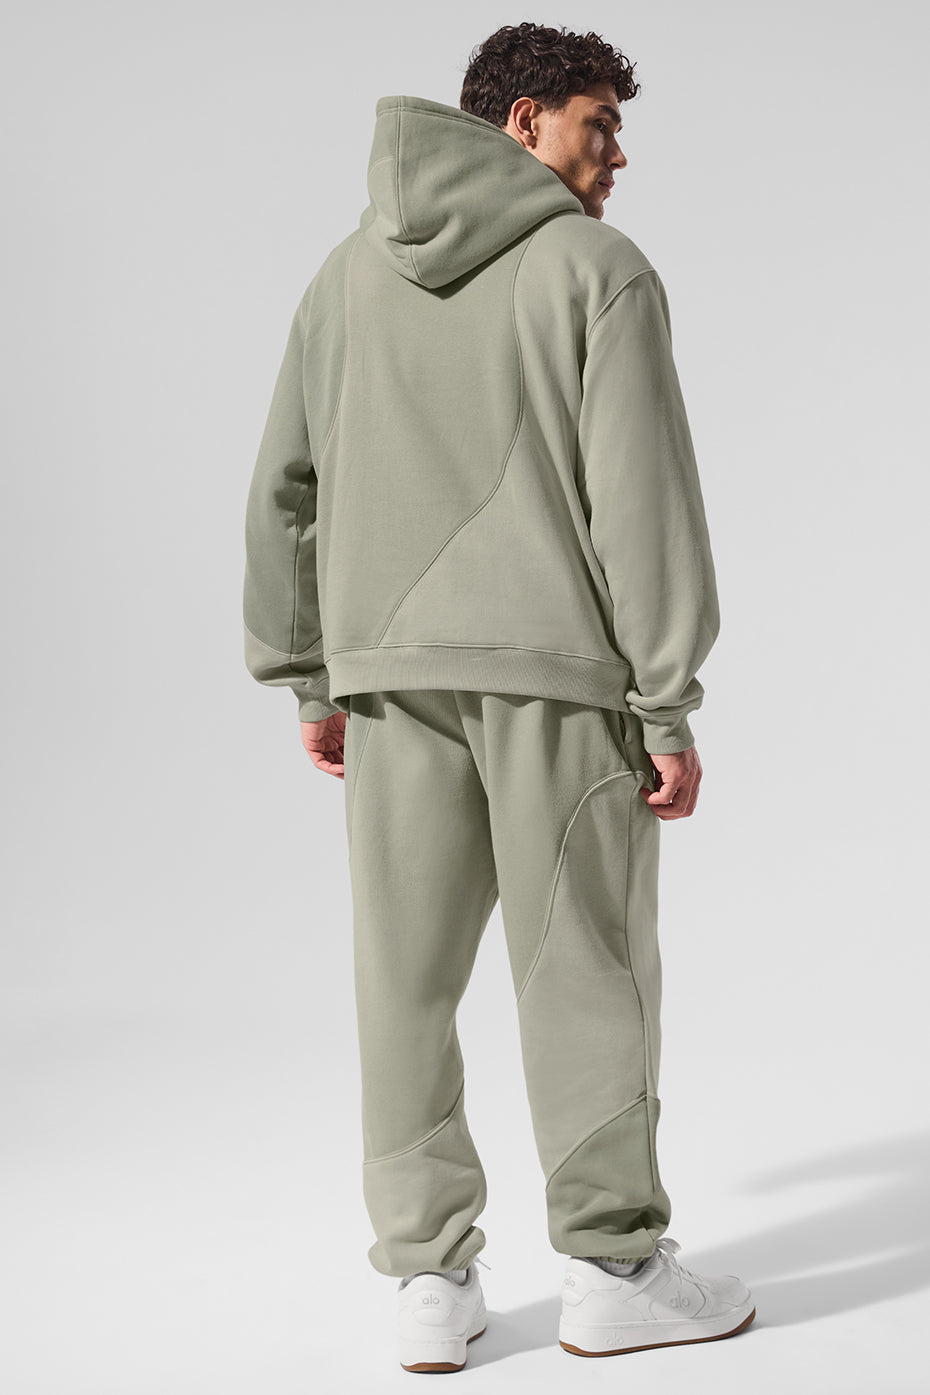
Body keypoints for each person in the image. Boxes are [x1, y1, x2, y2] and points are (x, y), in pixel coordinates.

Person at [242, 20, 755, 1373]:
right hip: (558, 685)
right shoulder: (597, 270)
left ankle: (428, 1282)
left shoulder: (343, 276)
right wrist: (665, 703)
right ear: (523, 124)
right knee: (584, 971)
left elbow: (285, 490)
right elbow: (642, 505)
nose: (617, 153)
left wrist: (307, 672)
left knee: (400, 982)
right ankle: (613, 1267)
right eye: (599, 122)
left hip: (388, 686)